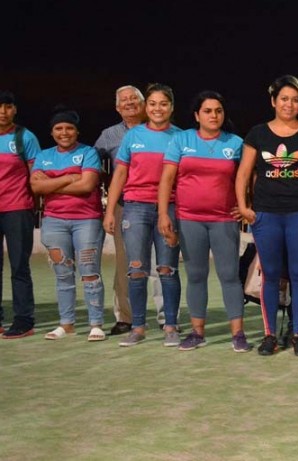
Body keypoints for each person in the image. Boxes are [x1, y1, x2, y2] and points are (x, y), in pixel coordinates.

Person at [236, 75, 298, 356]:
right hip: (267, 215)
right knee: (271, 275)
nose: (289, 104)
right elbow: (243, 173)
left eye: (295, 100)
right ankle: (269, 335)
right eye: (284, 98)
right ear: (274, 101)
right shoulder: (258, 134)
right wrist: (245, 208)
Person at [158, 91, 250, 352]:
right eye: (208, 111)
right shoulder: (181, 140)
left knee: (229, 275)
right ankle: (197, 333)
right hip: (189, 220)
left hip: (223, 220)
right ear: (197, 115)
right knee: (196, 275)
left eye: (218, 111)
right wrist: (164, 214)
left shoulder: (235, 143)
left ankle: (238, 334)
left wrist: (245, 206)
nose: (214, 115)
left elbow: (247, 179)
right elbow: (166, 180)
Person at [104, 83, 182, 347]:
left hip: (168, 209)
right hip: (135, 207)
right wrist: (109, 211)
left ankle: (171, 325)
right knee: (136, 270)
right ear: (145, 107)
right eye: (153, 104)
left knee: (167, 269)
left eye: (163, 103)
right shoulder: (133, 136)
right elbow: (120, 174)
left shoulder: (180, 137)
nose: (158, 109)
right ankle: (137, 327)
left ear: (171, 107)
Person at [94, 85, 166, 336]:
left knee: (162, 263)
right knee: (128, 264)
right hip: (128, 206)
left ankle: (165, 316)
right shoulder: (109, 135)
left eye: (134, 99)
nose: (129, 103)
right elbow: (91, 163)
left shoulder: (164, 129)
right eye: (123, 101)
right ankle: (125, 317)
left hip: (165, 205)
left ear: (144, 103)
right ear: (117, 107)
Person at [31, 108, 106, 341]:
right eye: (59, 128)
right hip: (54, 221)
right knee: (62, 273)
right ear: (52, 133)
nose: (64, 132)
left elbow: (86, 186)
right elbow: (35, 188)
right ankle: (66, 323)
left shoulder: (88, 152)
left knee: (89, 272)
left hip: (87, 221)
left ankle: (96, 324)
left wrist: (51, 182)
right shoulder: (44, 156)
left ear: (77, 131)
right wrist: (69, 177)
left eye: (69, 128)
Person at [0, 91, 39, 339]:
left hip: (17, 208)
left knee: (19, 267)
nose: (2, 112)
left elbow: (35, 176)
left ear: (14, 109)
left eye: (7, 107)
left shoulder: (25, 137)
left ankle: (23, 320)